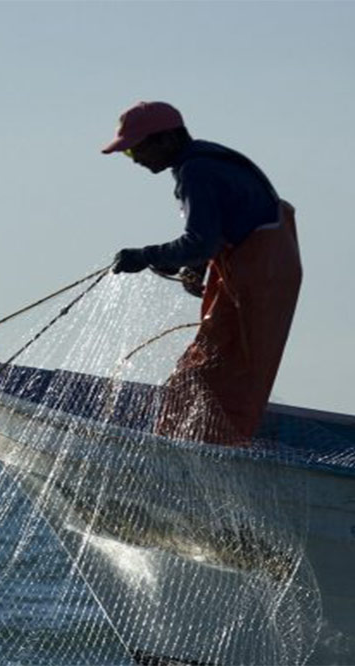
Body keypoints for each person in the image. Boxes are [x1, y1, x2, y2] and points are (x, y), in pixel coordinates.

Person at [101, 101, 302, 445]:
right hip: (268, 273)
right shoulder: (210, 160)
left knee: (210, 372)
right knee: (224, 369)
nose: (135, 159)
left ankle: (195, 450)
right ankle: (208, 441)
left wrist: (145, 255)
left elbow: (199, 242)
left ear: (166, 139)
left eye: (136, 149)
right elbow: (222, 228)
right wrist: (194, 266)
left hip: (260, 280)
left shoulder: (197, 171)